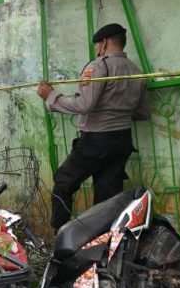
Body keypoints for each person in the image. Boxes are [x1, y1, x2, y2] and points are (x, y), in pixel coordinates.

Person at [36, 23, 150, 232]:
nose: (97, 49)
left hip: (96, 142)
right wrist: (117, 109)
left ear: (104, 43)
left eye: (98, 44)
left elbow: (84, 105)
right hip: (122, 141)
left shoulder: (98, 67)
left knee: (63, 182)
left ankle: (61, 236)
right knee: (107, 199)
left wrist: (51, 97)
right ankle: (104, 243)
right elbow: (143, 113)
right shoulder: (137, 72)